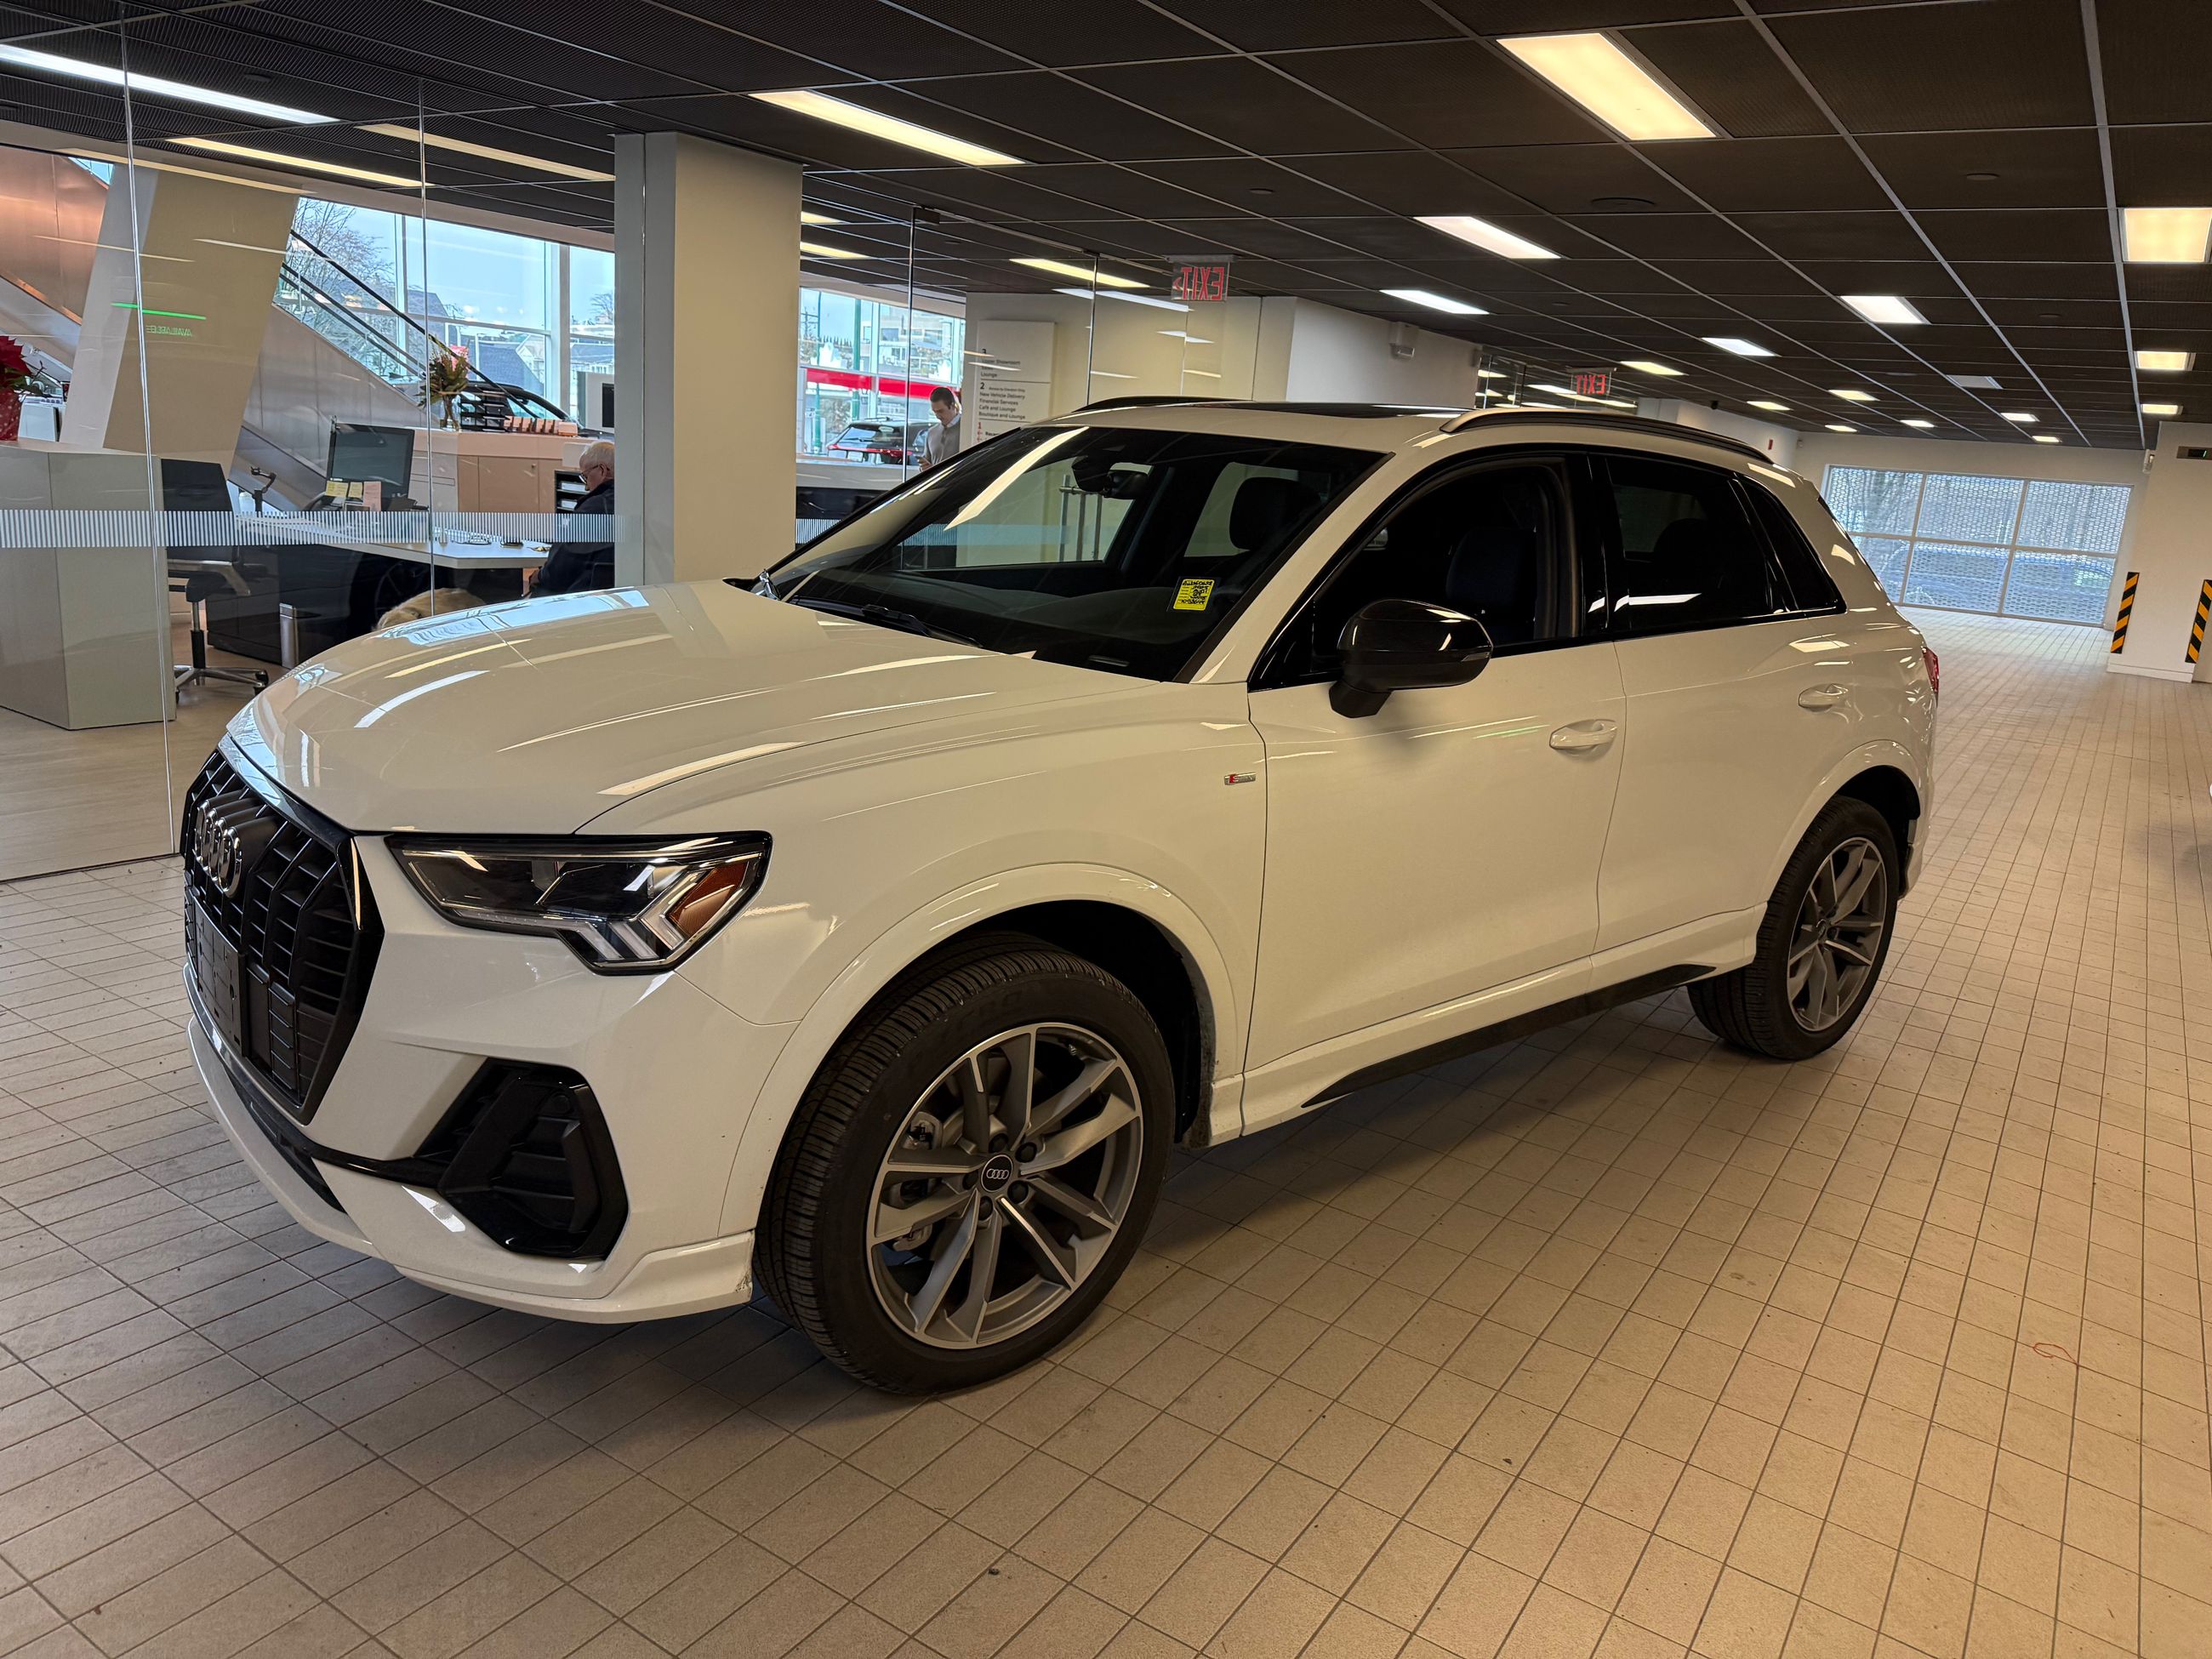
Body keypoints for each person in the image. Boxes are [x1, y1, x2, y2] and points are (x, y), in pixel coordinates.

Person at [531, 440, 616, 595]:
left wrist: (540, 575)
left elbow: (560, 568)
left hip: (585, 597)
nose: (586, 487)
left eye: (585, 476)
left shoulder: (594, 509)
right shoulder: (634, 502)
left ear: (602, 470)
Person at [920, 387, 961, 468]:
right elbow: (926, 461)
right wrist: (924, 468)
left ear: (953, 406)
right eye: (934, 412)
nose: (937, 416)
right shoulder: (931, 432)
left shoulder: (967, 430)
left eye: (940, 411)